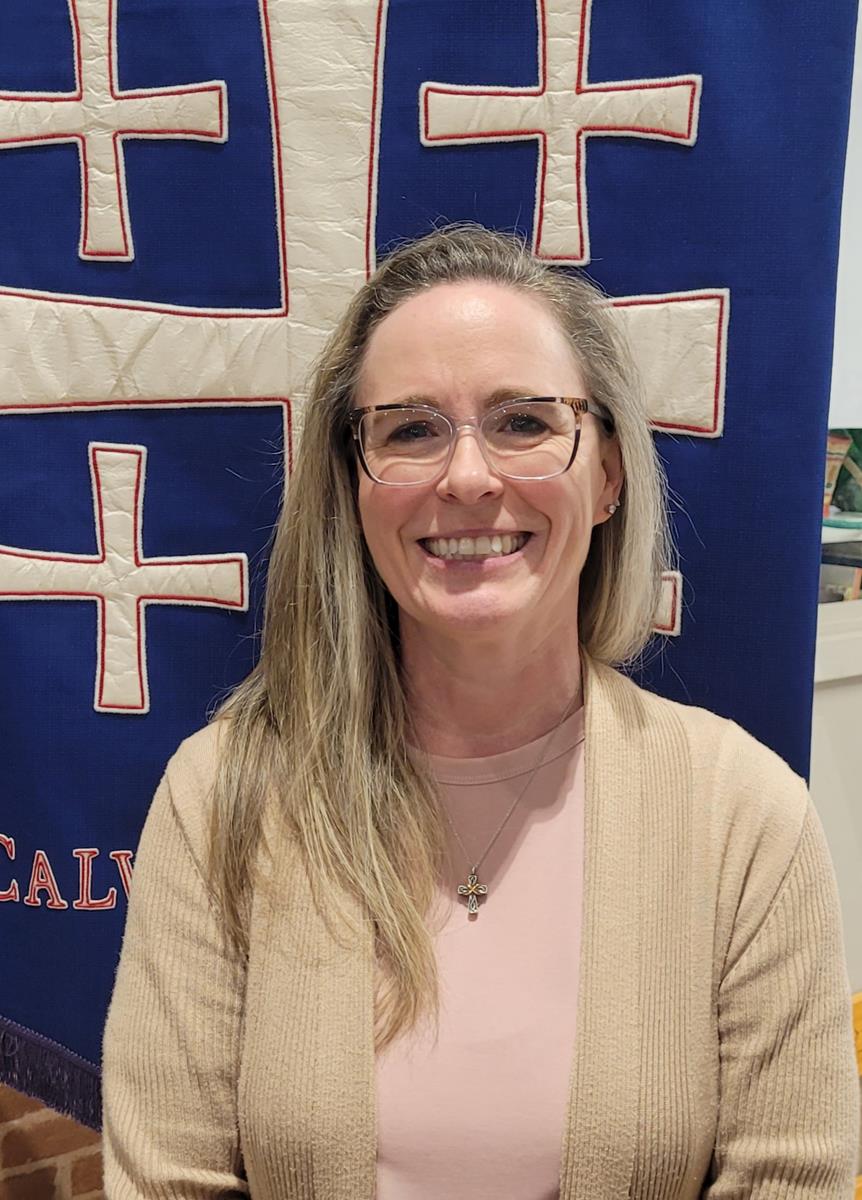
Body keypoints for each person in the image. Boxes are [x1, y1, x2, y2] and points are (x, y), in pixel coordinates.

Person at [101, 224, 860, 1199]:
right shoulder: (221, 797)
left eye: (524, 422)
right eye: (410, 430)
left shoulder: (743, 816)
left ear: (608, 474)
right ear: (353, 483)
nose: (467, 477)